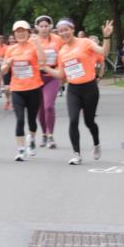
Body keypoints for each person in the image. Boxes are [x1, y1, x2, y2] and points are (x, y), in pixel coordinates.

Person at [42, 18, 113, 165]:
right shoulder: (62, 51)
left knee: (89, 121)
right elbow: (61, 74)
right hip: (73, 89)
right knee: (73, 120)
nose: (63, 33)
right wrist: (45, 68)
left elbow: (104, 52)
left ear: (72, 29)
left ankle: (96, 144)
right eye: (60, 31)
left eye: (66, 30)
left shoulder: (85, 42)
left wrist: (106, 37)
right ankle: (76, 154)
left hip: (90, 88)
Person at [0, 20, 46, 161]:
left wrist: (37, 43)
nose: (20, 34)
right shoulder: (10, 49)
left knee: (32, 120)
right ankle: (21, 150)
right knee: (20, 120)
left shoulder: (34, 46)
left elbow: (43, 61)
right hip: (17, 89)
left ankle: (31, 139)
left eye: (23, 31)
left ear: (28, 32)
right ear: (14, 34)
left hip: (34, 88)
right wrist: (7, 65)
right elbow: (3, 70)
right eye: (17, 31)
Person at [35, 14, 62, 148]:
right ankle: (44, 134)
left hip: (52, 76)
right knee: (40, 108)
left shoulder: (58, 39)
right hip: (37, 77)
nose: (44, 28)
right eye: (41, 26)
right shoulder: (33, 41)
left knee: (49, 106)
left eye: (46, 26)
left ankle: (51, 135)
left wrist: (61, 73)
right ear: (37, 27)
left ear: (51, 26)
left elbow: (64, 54)